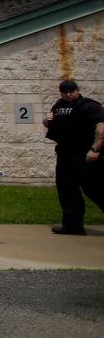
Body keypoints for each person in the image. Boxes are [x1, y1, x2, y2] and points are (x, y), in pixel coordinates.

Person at [43, 80, 104, 235]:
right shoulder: (58, 106)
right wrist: (46, 120)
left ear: (78, 90)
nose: (69, 94)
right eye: (65, 92)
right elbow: (51, 125)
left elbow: (101, 127)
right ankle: (72, 225)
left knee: (94, 189)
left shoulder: (90, 106)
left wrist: (95, 149)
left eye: (72, 91)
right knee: (66, 190)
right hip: (65, 155)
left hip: (86, 155)